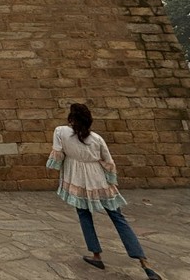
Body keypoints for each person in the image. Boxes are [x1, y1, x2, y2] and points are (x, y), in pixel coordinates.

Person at [47, 104, 162, 280]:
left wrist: (58, 168)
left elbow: (58, 155)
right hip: (99, 180)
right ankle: (144, 263)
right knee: (118, 218)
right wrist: (111, 181)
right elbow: (108, 162)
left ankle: (96, 255)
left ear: (71, 119)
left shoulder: (60, 132)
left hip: (77, 180)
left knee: (84, 215)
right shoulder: (96, 139)